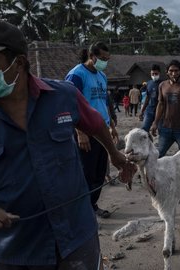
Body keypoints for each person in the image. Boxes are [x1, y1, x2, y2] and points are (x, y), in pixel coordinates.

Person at [0, 18, 135, 269]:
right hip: (16, 252)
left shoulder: (63, 96)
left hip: (77, 239)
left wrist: (115, 155)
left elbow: (95, 124)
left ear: (18, 62)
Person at [66, 41, 117, 219]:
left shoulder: (102, 76)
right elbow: (70, 104)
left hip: (102, 130)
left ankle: (92, 206)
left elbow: (103, 103)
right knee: (85, 173)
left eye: (107, 59)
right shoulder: (76, 75)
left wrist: (112, 127)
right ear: (92, 56)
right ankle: (82, 211)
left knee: (99, 172)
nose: (105, 62)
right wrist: (80, 132)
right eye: (102, 58)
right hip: (86, 132)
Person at [150, 60, 180, 158]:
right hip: (165, 128)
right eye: (171, 71)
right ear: (167, 72)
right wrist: (155, 123)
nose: (174, 73)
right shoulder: (162, 85)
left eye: (176, 71)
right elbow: (160, 104)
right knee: (159, 155)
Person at [139, 65, 162, 131]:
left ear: (159, 73)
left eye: (156, 73)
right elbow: (147, 98)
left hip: (161, 112)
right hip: (149, 110)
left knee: (162, 131)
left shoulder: (163, 84)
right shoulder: (148, 83)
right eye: (153, 74)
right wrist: (142, 111)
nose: (154, 75)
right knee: (144, 129)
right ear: (150, 73)